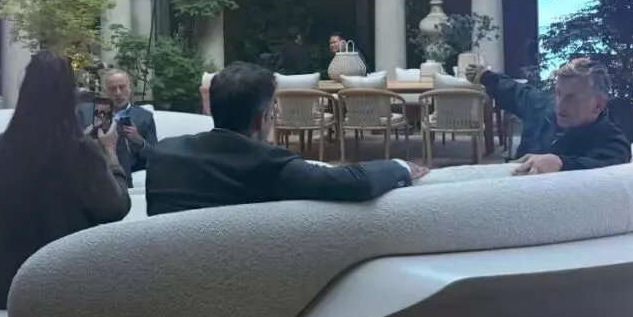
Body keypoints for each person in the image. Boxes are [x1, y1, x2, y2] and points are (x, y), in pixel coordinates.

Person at [146, 61, 426, 215]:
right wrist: (400, 166)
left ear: (211, 108)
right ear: (262, 119)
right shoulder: (271, 166)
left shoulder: (164, 155)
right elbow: (356, 182)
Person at [0, 51, 130, 309]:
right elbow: (116, 208)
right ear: (71, 97)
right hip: (56, 289)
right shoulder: (81, 153)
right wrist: (109, 153)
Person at [469, 56, 631, 175]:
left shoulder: (611, 141)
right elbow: (514, 91)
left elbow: (609, 166)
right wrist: (485, 76)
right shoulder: (543, 106)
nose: (560, 105)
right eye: (558, 94)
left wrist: (560, 163)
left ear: (598, 105)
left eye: (571, 98)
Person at [105, 69, 157, 184]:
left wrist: (139, 141)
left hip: (134, 173)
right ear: (106, 92)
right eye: (113, 89)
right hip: (103, 172)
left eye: (122, 87)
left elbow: (155, 155)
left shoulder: (145, 116)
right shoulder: (99, 115)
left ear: (129, 88)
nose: (118, 93)